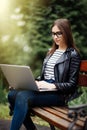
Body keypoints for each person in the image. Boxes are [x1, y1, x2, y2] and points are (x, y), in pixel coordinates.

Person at [8, 18, 81, 130]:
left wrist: (51, 85)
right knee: (12, 94)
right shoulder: (51, 52)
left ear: (66, 33)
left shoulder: (73, 55)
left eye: (58, 33)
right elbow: (44, 77)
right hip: (44, 89)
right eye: (53, 34)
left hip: (58, 95)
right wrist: (26, 83)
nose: (55, 37)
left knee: (23, 97)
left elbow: (71, 85)